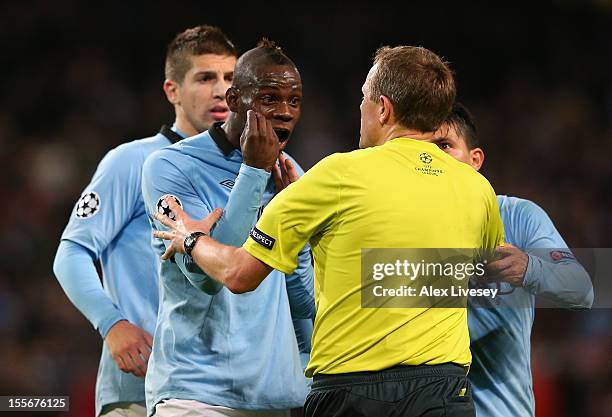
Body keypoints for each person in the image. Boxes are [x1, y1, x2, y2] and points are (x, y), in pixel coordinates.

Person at [153, 46, 505, 417]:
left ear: (383, 108)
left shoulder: (336, 175)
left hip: (352, 394)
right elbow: (486, 278)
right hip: (445, 392)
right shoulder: (477, 189)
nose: (361, 109)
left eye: (365, 98)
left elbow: (239, 275)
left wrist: (190, 238)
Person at [53, 25, 238, 417]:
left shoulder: (248, 172)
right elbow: (71, 253)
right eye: (205, 78)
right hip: (140, 388)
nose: (221, 90)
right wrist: (111, 324)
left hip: (228, 387)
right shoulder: (131, 162)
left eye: (230, 78)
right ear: (172, 91)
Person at [141, 40, 314, 417]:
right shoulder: (171, 166)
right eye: (270, 98)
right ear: (235, 100)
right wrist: (253, 172)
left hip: (273, 400)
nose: (284, 112)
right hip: (194, 394)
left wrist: (295, 232)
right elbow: (211, 278)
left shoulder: (291, 175)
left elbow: (303, 302)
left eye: (294, 100)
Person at [428, 102, 594, 417]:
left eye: (444, 146)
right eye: (424, 151)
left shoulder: (517, 217)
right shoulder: (401, 230)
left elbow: (581, 289)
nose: (433, 159)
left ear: (475, 160)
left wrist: (527, 267)